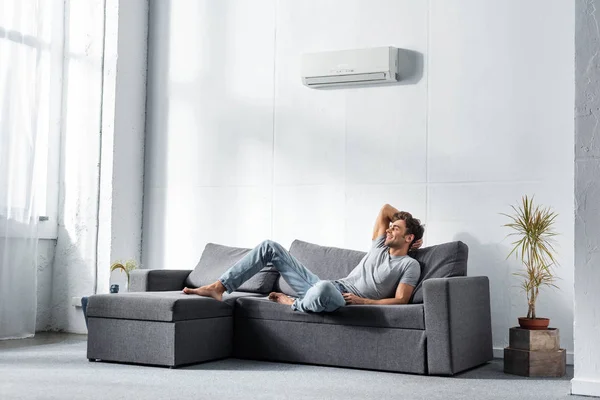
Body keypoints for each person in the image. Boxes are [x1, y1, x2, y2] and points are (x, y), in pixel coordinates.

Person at [183, 204, 425, 313]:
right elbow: (384, 209)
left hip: (341, 299)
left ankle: (292, 303)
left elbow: (401, 300)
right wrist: (402, 221)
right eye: (390, 227)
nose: (390, 229)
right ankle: (218, 287)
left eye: (396, 229)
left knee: (322, 290)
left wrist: (363, 302)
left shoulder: (409, 265)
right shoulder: (379, 246)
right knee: (270, 247)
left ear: (408, 238)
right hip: (328, 285)